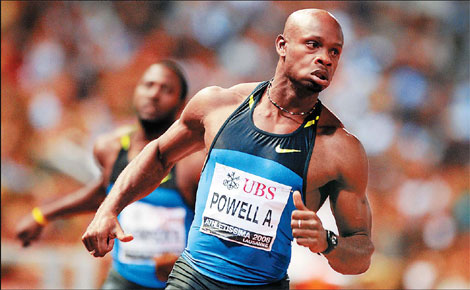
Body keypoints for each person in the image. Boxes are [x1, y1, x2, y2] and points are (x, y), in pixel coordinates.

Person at [82, 8, 374, 289]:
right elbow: (159, 155)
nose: (325, 58)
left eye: (334, 52)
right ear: (282, 45)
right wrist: (109, 208)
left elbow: (361, 252)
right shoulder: (218, 106)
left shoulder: (339, 149)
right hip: (192, 278)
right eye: (313, 45)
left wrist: (327, 242)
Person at [16, 60, 205, 289]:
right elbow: (104, 195)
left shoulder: (193, 162)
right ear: (136, 92)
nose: (154, 94)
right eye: (148, 85)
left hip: (177, 283)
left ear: (181, 103)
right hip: (123, 279)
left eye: (166, 89)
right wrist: (42, 215)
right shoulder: (111, 148)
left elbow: (216, 225)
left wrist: (187, 262)